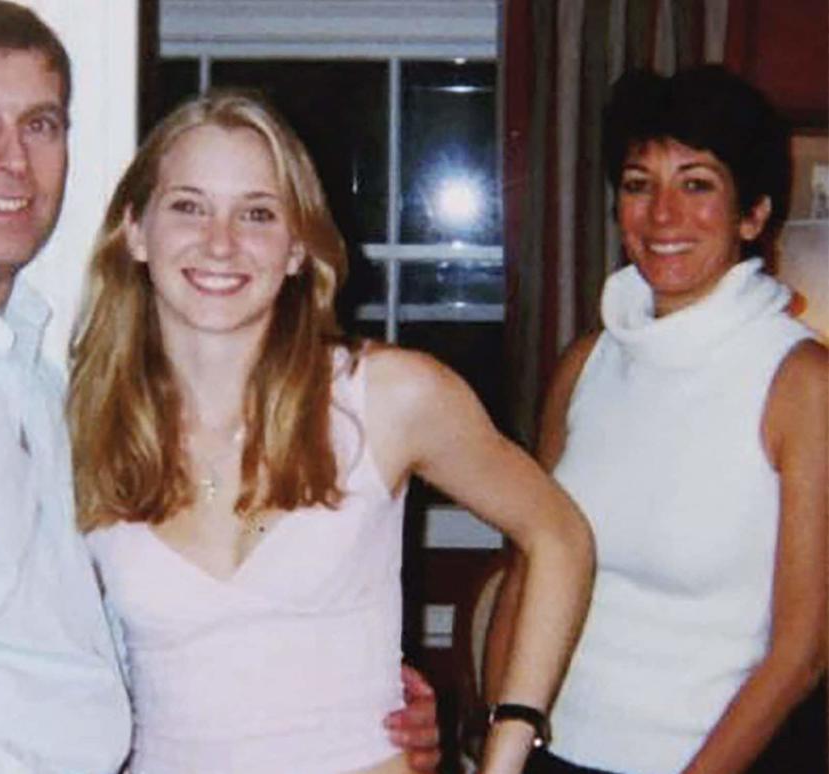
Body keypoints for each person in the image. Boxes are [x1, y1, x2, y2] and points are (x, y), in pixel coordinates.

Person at [0, 2, 441, 772]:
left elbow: (64, 645)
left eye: (40, 125)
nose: (12, 160)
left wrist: (318, 697)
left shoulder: (28, 369)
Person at [67, 90, 595, 774]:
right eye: (188, 206)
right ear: (136, 231)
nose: (220, 242)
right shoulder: (82, 423)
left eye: (256, 213)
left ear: (295, 248)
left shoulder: (386, 397)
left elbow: (559, 536)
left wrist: (507, 741)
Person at [485, 66, 827, 774]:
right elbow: (525, 570)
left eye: (696, 184)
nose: (661, 215)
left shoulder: (800, 384)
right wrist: (499, 744)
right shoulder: (584, 364)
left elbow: (803, 649)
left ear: (753, 214)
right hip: (550, 751)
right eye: (639, 185)